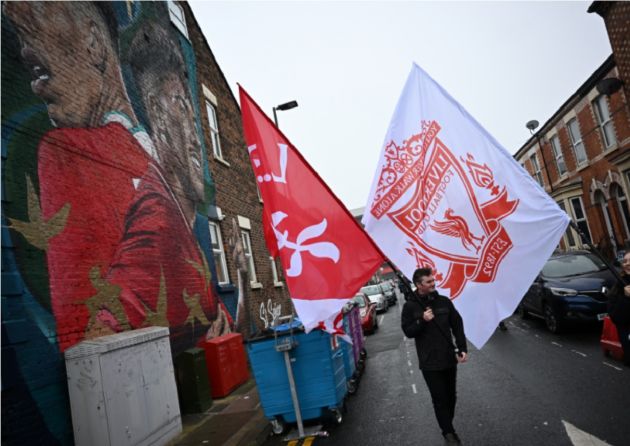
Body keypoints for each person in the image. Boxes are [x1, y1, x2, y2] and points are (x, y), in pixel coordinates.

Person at [4, 1, 155, 350]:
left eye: (34, 19)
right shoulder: (65, 151)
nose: (25, 51)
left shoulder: (74, 152)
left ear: (92, 41)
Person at [401, 267, 468, 445]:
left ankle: (447, 423)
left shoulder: (444, 302)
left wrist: (462, 347)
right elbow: (408, 331)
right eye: (429, 281)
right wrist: (422, 320)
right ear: (418, 285)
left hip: (448, 357)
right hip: (429, 362)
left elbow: (457, 324)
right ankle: (448, 432)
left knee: (451, 396)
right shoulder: (410, 306)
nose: (433, 283)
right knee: (439, 398)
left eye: (433, 280)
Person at [608, 251, 630, 366]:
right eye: (625, 261)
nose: (627, 264)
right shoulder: (618, 286)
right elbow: (616, 317)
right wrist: (626, 299)